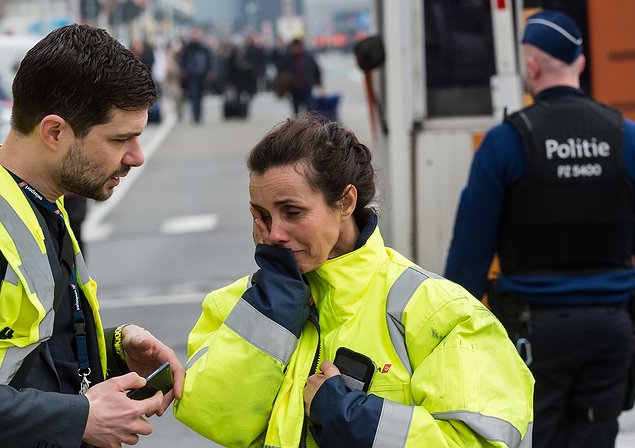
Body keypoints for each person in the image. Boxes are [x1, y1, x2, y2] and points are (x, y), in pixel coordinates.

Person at [0, 24, 184, 448]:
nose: (136, 156)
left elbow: (24, 350)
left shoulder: (39, 198)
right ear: (54, 132)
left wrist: (116, 347)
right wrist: (79, 417)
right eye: (121, 139)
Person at [174, 114, 534, 447]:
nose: (275, 234)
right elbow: (215, 416)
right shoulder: (238, 305)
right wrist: (272, 313)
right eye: (263, 216)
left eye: (292, 212)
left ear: (346, 202)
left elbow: (482, 441)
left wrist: (350, 419)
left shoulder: (441, 313)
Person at [444, 10, 635, 448]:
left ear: (532, 67)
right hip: (610, 331)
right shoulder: (628, 139)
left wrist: (449, 338)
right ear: (581, 63)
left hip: (533, 335)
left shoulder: (506, 143)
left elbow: (469, 255)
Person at [179, 28, 213, 124]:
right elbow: (183, 61)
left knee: (200, 95)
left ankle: (199, 114)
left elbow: (209, 60)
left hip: (202, 75)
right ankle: (195, 114)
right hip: (191, 76)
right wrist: (183, 70)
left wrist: (210, 71)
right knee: (194, 95)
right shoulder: (187, 48)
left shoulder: (204, 48)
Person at [280, 38, 322, 115]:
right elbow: (281, 72)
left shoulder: (308, 56)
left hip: (307, 88)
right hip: (294, 89)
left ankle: (308, 122)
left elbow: (316, 70)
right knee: (296, 112)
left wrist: (319, 83)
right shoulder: (288, 58)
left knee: (310, 111)